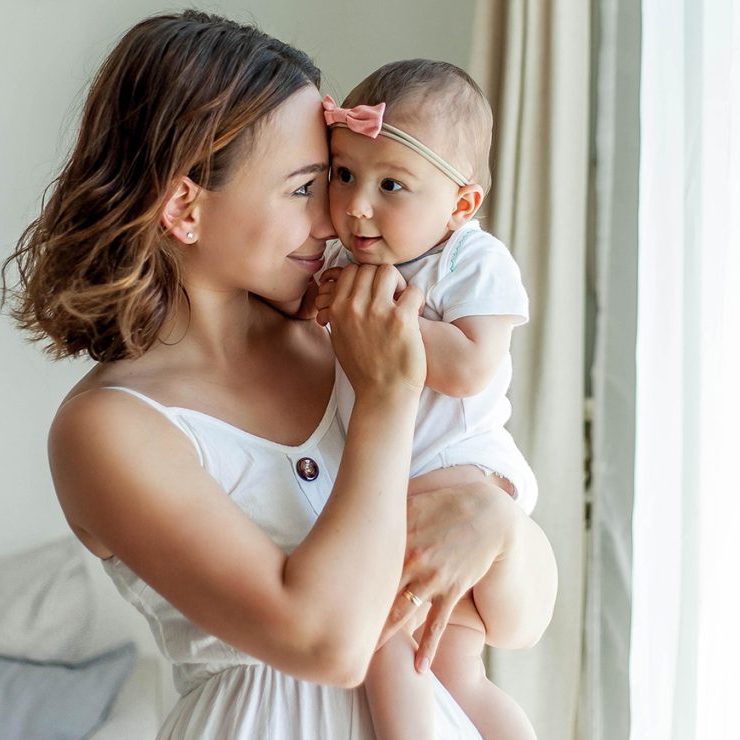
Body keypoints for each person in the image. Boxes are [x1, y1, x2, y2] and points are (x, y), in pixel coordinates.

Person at [1, 11, 557, 739]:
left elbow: (524, 622)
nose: (336, 221)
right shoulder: (110, 427)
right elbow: (325, 642)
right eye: (306, 188)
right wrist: (388, 401)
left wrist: (498, 525)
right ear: (185, 208)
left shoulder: (345, 337)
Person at [315, 61, 544, 739]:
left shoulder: (468, 261)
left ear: (461, 205)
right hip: (396, 475)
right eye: (343, 174)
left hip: (454, 469)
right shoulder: (345, 266)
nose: (358, 205)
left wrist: (383, 323)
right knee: (449, 670)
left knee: (383, 634)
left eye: (392, 185)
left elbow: (473, 365)